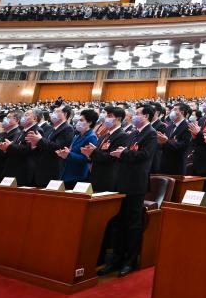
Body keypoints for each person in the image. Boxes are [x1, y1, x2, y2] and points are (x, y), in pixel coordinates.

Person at [100, 104, 158, 278]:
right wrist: (122, 153)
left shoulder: (151, 133)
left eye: (138, 113)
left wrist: (123, 154)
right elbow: (127, 152)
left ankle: (130, 261)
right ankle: (116, 260)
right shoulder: (133, 133)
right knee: (120, 222)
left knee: (133, 224)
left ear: (146, 116)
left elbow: (144, 155)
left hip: (136, 184)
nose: (134, 116)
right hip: (123, 182)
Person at [26, 103, 73, 187]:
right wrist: (34, 144)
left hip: (52, 168)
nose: (53, 114)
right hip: (40, 167)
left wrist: (39, 140)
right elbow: (42, 144)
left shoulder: (68, 129)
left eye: (57, 111)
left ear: (65, 114)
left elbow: (58, 147)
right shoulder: (50, 128)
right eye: (53, 111)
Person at [88, 106, 131, 192]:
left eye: (110, 116)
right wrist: (88, 153)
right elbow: (97, 153)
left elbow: (112, 156)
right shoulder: (104, 136)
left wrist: (93, 152)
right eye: (107, 115)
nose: (106, 118)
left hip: (108, 177)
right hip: (96, 175)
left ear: (118, 119)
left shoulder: (123, 136)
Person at [2, 108, 43, 186]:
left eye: (26, 115)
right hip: (12, 167)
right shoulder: (20, 131)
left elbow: (28, 149)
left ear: (35, 118)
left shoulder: (36, 131)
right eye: (23, 115)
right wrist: (6, 147)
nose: (23, 117)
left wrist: (10, 146)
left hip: (24, 170)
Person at [58, 108, 98, 188]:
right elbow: (71, 151)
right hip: (67, 173)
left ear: (90, 122)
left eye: (81, 120)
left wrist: (69, 154)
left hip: (78, 175)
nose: (78, 122)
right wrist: (64, 153)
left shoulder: (91, 137)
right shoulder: (77, 136)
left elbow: (87, 158)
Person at [156, 102, 192, 176]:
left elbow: (183, 146)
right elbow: (164, 145)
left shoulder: (188, 127)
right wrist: (160, 142)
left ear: (182, 112)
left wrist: (166, 141)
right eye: (172, 109)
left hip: (177, 165)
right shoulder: (169, 127)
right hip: (164, 163)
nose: (172, 111)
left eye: (175, 109)